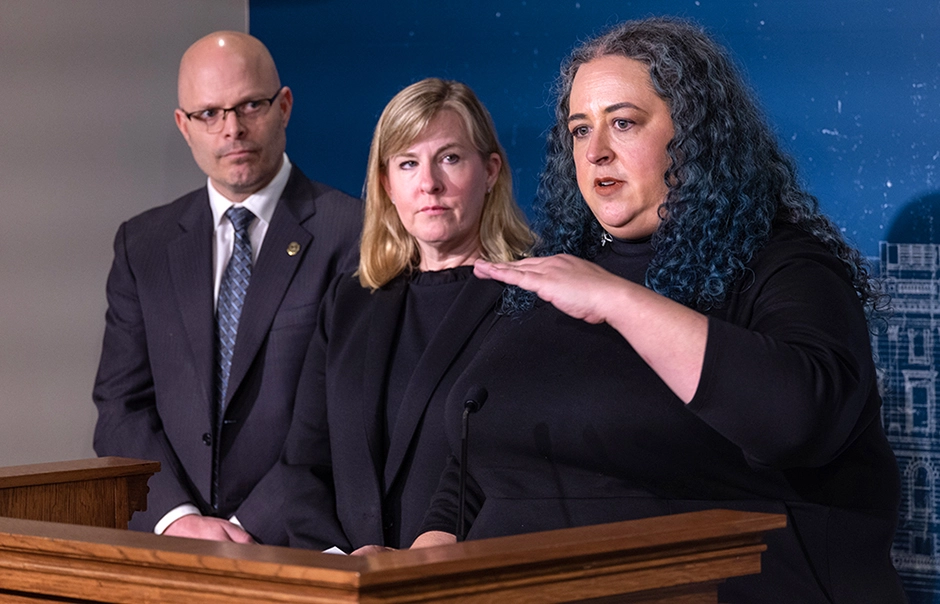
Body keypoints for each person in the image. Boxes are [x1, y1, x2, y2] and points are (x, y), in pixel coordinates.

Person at [412, 18, 907, 603]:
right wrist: (432, 549)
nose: (595, 151)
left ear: (694, 134)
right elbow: (486, 456)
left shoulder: (784, 265)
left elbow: (799, 421)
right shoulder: (557, 272)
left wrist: (619, 302)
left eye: (623, 123)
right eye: (579, 129)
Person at [92, 31, 361, 546]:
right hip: (176, 545)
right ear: (183, 126)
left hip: (303, 545)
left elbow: (345, 417)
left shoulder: (354, 232)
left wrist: (244, 528)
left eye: (250, 106)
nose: (232, 129)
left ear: (284, 106)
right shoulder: (142, 244)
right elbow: (121, 406)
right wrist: (177, 517)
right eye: (209, 113)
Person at [280, 78, 532, 553]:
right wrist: (341, 563)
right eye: (408, 163)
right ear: (386, 184)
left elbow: (520, 467)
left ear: (492, 170)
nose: (429, 183)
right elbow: (303, 464)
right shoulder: (349, 300)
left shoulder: (530, 297)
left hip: (468, 579)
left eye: (450, 158)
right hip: (346, 583)